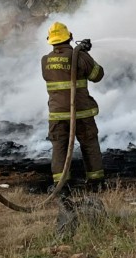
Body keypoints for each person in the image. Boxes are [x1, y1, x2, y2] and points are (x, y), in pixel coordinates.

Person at [41, 21, 105, 192]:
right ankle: (95, 182)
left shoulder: (45, 61)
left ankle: (60, 185)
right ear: (69, 37)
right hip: (81, 111)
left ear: (51, 40)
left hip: (57, 114)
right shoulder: (79, 57)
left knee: (59, 148)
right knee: (89, 144)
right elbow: (97, 75)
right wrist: (84, 54)